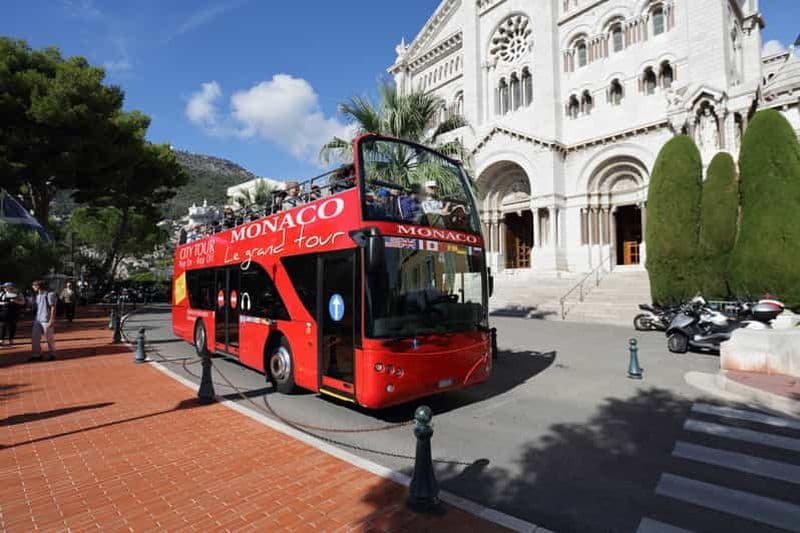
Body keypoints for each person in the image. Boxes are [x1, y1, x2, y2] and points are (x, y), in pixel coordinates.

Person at [30, 280, 57, 361]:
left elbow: (53, 308)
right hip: (37, 320)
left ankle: (53, 354)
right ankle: (36, 355)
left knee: (49, 338)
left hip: (46, 320)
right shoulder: (37, 295)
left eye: (34, 285)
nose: (32, 287)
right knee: (35, 338)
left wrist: (51, 320)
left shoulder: (49, 294)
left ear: (38, 286)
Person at [1, 282, 25, 347]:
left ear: (10, 287)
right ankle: (1, 340)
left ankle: (11, 339)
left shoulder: (18, 294)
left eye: (5, 287)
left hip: (14, 312)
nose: (4, 288)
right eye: (4, 287)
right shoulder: (2, 294)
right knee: (3, 325)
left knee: (12, 326)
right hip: (4, 312)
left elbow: (23, 302)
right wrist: (3, 303)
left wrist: (16, 301)